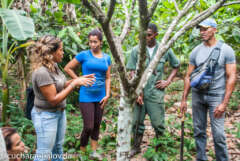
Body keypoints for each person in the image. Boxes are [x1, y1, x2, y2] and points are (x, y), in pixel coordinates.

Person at [28, 35, 95, 161]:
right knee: (44, 152)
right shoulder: (42, 72)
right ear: (52, 52)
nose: (63, 52)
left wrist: (78, 79)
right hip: (46, 116)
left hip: (59, 113)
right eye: (61, 50)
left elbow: (60, 85)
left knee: (57, 148)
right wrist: (74, 84)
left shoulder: (53, 66)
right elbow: (53, 99)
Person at [180, 18, 236, 161]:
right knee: (198, 131)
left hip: (216, 96)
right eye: (200, 29)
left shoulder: (226, 50)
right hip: (198, 95)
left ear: (214, 30)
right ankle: (201, 158)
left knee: (218, 134)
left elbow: (231, 77)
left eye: (205, 29)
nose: (202, 32)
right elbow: (188, 76)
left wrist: (224, 103)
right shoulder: (196, 51)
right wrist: (184, 99)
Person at [126, 23, 180, 157]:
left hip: (156, 92)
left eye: (149, 35)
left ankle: (160, 148)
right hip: (140, 93)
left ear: (156, 35)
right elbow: (131, 71)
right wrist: (136, 90)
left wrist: (168, 81)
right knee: (136, 122)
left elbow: (176, 65)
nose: (146, 38)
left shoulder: (164, 49)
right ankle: (136, 147)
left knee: (158, 123)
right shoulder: (136, 50)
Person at [64, 29, 111, 160]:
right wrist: (78, 80)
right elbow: (68, 68)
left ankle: (94, 151)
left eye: (95, 42)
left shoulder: (107, 58)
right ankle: (83, 150)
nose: (92, 44)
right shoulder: (84, 55)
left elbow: (108, 77)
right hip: (86, 95)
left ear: (101, 42)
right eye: (90, 42)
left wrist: (107, 95)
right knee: (88, 126)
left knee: (96, 125)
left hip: (101, 95)